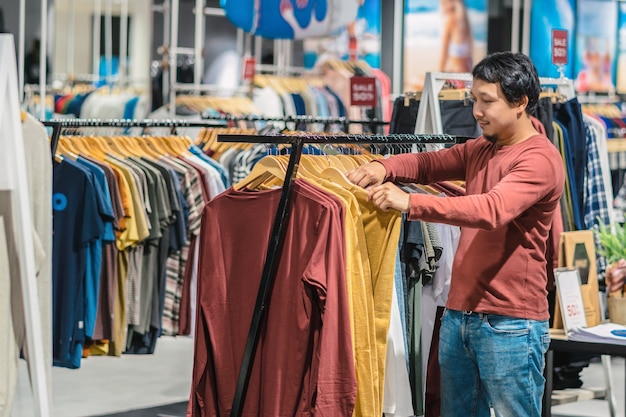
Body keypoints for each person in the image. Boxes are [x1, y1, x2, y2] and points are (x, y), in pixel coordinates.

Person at [347, 51, 564, 417]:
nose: (476, 111)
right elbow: (429, 162)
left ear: (521, 103)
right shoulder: (483, 148)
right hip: (461, 314)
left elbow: (491, 209)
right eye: (474, 100)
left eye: (487, 101)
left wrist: (411, 204)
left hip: (511, 323)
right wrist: (383, 165)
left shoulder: (539, 159)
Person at [438, 0, 473, 73]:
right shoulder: (465, 22)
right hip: (466, 74)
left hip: (456, 76)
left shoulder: (450, 20)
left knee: (415, 81)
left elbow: (444, 55)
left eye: (444, 3)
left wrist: (438, 75)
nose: (442, 6)